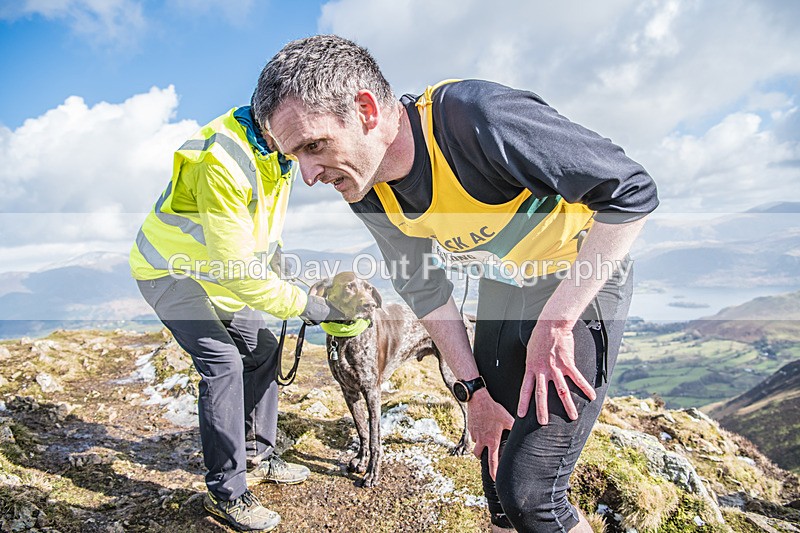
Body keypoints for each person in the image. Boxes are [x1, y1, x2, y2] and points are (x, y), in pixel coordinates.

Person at [253, 35, 659, 532]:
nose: (310, 175)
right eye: (294, 158)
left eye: (313, 146)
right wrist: (473, 390)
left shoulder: (476, 118)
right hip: (504, 285)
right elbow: (424, 288)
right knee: (494, 466)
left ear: (365, 110)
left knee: (531, 493)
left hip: (582, 279)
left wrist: (555, 322)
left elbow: (630, 190)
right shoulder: (365, 188)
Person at [129, 105, 342, 532]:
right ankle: (226, 492)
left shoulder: (278, 151)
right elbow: (240, 272)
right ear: (273, 116)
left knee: (263, 349)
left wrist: (276, 258)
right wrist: (308, 306)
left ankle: (258, 455)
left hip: (214, 273)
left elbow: (258, 227)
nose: (309, 164)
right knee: (223, 364)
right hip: (168, 272)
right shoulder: (223, 159)